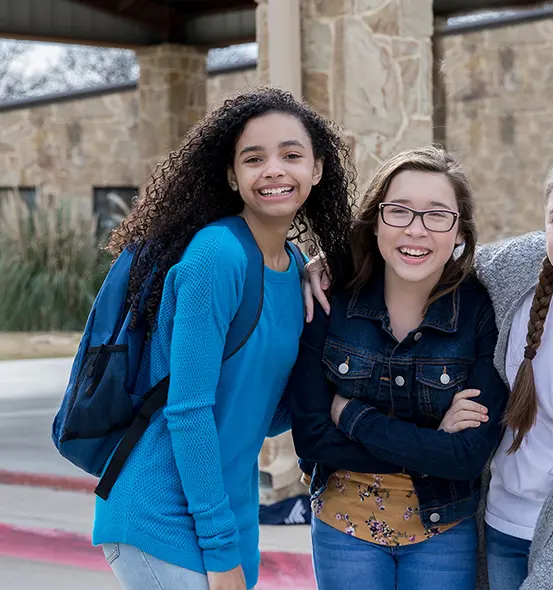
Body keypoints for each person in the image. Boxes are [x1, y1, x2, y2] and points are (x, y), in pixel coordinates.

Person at [303, 146, 553, 588]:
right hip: (501, 526)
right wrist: (331, 266)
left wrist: (351, 415)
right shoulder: (521, 268)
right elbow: (428, 252)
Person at [92, 87, 355, 590]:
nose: (274, 169)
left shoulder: (293, 265)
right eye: (254, 159)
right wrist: (220, 553)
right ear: (234, 177)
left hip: (228, 515)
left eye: (291, 155)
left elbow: (262, 410)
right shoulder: (217, 256)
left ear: (317, 170)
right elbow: (189, 411)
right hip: (162, 516)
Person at [285, 145, 510, 590]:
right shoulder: (332, 300)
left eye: (437, 215)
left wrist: (350, 416)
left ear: (459, 229)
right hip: (343, 526)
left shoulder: (479, 311)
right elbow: (311, 438)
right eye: (400, 212)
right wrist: (432, 444)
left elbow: (467, 457)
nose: (416, 230)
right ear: (375, 221)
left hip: (443, 529)